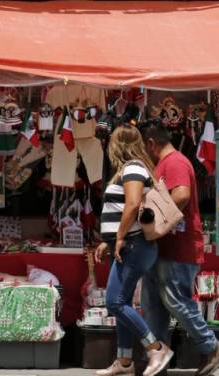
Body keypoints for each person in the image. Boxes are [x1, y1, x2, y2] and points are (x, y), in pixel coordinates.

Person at [139, 121, 219, 376]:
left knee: (175, 300)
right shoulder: (165, 164)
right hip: (163, 248)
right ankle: (157, 359)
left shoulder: (175, 162)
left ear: (150, 143)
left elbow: (181, 195)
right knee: (153, 305)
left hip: (178, 248)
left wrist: (151, 217)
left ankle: (211, 346)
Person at [94, 125, 174, 376]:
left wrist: (118, 236)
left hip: (134, 245)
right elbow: (123, 210)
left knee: (114, 302)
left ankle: (156, 347)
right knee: (123, 302)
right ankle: (125, 362)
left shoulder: (133, 169)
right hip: (128, 244)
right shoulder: (132, 169)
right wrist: (110, 239)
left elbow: (132, 204)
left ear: (115, 146)